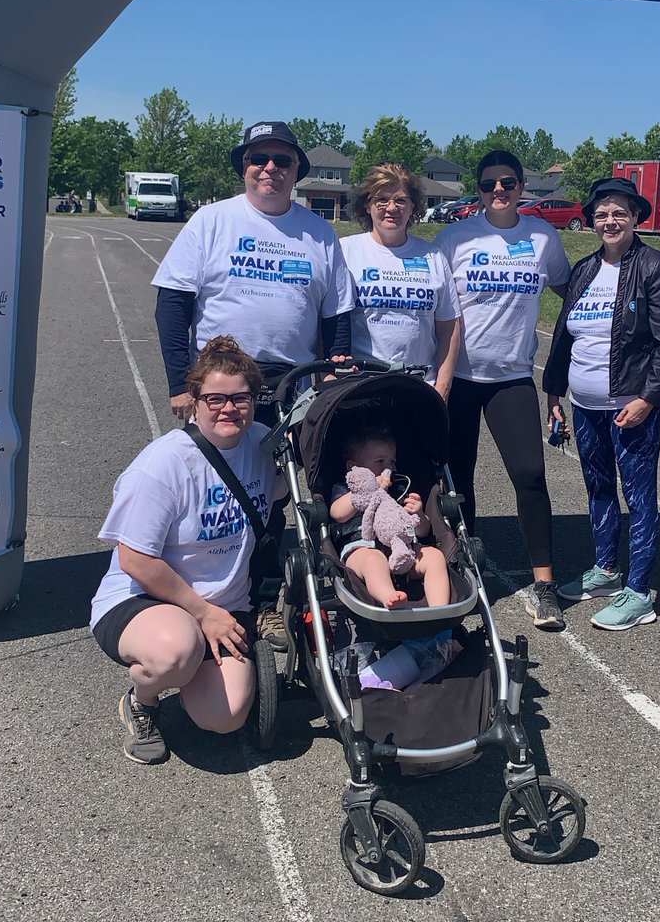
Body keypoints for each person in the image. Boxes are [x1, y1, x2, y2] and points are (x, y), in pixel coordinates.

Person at [152, 120, 356, 652]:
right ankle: (199, 596)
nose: (269, 169)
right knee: (215, 493)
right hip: (222, 384)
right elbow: (172, 305)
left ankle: (264, 602)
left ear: (297, 172)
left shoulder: (319, 232)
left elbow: (338, 315)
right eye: (258, 159)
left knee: (274, 499)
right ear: (244, 166)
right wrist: (181, 383)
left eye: (281, 161)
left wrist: (332, 373)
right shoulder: (211, 220)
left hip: (291, 384)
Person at [89, 337, 282, 764]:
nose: (228, 408)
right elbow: (135, 559)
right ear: (193, 400)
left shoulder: (265, 448)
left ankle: (194, 667)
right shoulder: (163, 465)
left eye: (241, 398)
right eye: (215, 398)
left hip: (224, 609)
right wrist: (203, 613)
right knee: (175, 651)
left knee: (224, 717)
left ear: (254, 400)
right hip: (145, 600)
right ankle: (144, 699)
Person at [543, 178, 660, 630]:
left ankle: (640, 592)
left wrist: (649, 399)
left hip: (630, 405)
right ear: (591, 221)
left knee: (639, 496)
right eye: (601, 213)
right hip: (584, 403)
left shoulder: (655, 266)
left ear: (635, 217)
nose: (610, 221)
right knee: (599, 487)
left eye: (619, 212)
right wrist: (553, 393)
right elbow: (565, 337)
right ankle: (606, 571)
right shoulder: (585, 269)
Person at [436, 149, 571, 630]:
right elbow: (435, 304)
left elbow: (569, 289)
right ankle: (464, 571)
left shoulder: (542, 236)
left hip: (511, 377)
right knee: (458, 479)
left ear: (520, 187)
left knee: (531, 475)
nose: (499, 190)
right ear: (477, 188)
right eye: (490, 182)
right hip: (460, 377)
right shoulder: (454, 237)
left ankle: (544, 585)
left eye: (508, 182)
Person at [341, 162, 461, 400]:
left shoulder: (433, 256)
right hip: (359, 388)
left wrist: (442, 389)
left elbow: (449, 328)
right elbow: (328, 325)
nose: (391, 208)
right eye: (381, 200)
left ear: (413, 206)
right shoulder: (346, 251)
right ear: (367, 205)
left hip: (418, 388)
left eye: (400, 200)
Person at [329, 425, 451, 609]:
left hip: (403, 548)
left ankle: (441, 608)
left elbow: (422, 530)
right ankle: (389, 597)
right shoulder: (348, 489)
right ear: (353, 467)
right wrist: (364, 493)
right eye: (380, 461)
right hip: (361, 548)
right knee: (373, 561)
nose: (388, 467)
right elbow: (336, 514)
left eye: (392, 462)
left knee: (434, 556)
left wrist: (418, 514)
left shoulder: (400, 489)